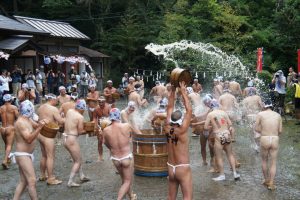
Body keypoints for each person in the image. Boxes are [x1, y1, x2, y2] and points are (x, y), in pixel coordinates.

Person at [12, 100, 48, 200]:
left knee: (24, 181)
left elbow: (36, 126)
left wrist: (42, 123)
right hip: (22, 154)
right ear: (29, 110)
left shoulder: (28, 119)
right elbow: (28, 139)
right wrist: (40, 128)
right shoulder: (20, 122)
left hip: (26, 154)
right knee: (32, 180)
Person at [163, 81, 193, 200]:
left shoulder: (166, 126)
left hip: (171, 167)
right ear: (180, 121)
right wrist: (183, 91)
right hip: (182, 167)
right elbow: (189, 109)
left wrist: (173, 90)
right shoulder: (182, 130)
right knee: (187, 197)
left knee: (171, 197)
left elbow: (170, 106)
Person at [102, 108, 137, 200]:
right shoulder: (126, 126)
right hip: (126, 157)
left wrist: (112, 148)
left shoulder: (105, 130)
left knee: (125, 180)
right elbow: (135, 132)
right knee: (127, 181)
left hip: (116, 159)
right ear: (118, 116)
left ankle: (131, 196)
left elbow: (104, 143)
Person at [203, 97, 240, 181]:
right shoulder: (223, 113)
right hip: (227, 135)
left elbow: (205, 127)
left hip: (218, 136)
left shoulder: (210, 114)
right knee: (230, 154)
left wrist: (211, 126)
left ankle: (222, 175)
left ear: (211, 106)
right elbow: (230, 124)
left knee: (219, 157)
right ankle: (235, 173)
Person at [37, 94, 64, 185]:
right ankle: (50, 178)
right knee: (50, 156)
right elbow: (60, 121)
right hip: (48, 134)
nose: (57, 101)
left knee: (44, 155)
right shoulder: (53, 109)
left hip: (40, 133)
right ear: (52, 99)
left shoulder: (40, 107)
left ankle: (42, 175)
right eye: (56, 99)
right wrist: (68, 119)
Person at [255, 100, 282, 190]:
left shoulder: (260, 114)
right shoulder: (278, 115)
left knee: (264, 161)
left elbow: (256, 128)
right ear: (271, 106)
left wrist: (263, 131)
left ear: (264, 106)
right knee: (273, 162)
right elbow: (280, 131)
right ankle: (271, 183)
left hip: (265, 138)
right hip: (274, 138)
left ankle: (266, 179)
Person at [63, 99, 90, 187]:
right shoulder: (80, 117)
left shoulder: (69, 111)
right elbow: (80, 131)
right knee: (78, 161)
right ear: (82, 108)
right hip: (71, 139)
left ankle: (81, 175)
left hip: (65, 137)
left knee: (77, 158)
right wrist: (88, 131)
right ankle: (70, 181)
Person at [0, 94, 19, 169]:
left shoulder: (1, 108)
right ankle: (5, 160)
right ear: (10, 100)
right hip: (10, 128)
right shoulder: (14, 107)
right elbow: (18, 117)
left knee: (6, 145)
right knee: (9, 145)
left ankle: (7, 159)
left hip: (2, 128)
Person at [93, 96, 111, 161]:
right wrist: (95, 126)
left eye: (102, 102)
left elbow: (112, 116)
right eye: (99, 102)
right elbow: (94, 118)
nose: (101, 103)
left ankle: (111, 154)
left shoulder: (108, 107)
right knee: (100, 141)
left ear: (105, 102)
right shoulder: (96, 109)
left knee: (110, 141)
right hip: (100, 126)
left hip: (108, 125)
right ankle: (100, 156)